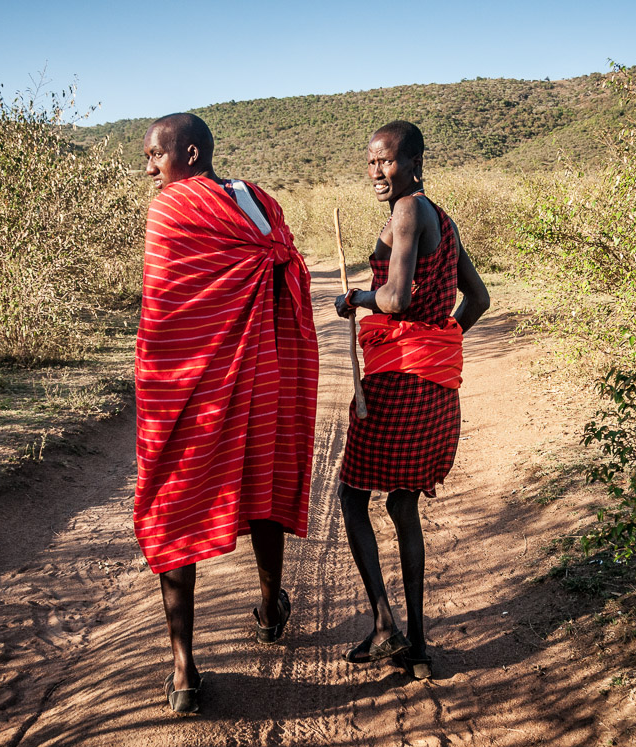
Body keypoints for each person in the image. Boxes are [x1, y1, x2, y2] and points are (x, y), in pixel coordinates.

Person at [135, 113, 319, 713]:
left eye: (155, 156)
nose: (150, 169)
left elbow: (165, 314)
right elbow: (280, 269)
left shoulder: (169, 208)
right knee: (263, 479)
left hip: (190, 385)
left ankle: (183, 670)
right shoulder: (259, 200)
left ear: (189, 153)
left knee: (175, 498)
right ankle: (270, 608)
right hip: (265, 368)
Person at [334, 120, 490, 679]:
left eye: (387, 161)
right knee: (402, 506)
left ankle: (384, 627)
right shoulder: (441, 219)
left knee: (352, 497)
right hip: (434, 391)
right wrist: (438, 345)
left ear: (415, 162)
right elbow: (479, 298)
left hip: (398, 385)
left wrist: (357, 298)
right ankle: (417, 646)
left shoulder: (406, 211)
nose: (377, 171)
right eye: (371, 161)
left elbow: (396, 298)